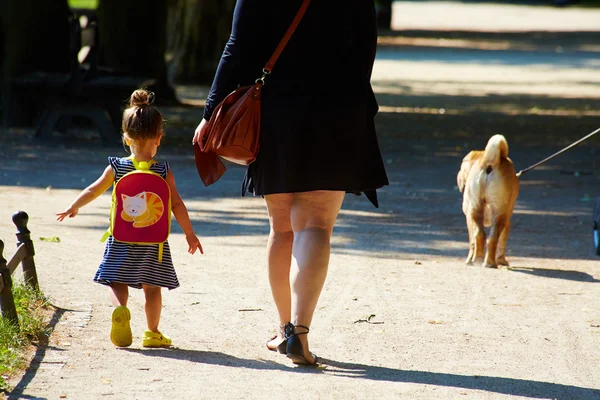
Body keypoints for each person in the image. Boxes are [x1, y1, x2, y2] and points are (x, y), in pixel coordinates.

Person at [193, 0, 388, 365]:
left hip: (276, 108)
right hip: (339, 108)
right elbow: (365, 48)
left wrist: (210, 111)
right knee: (315, 224)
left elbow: (236, 46)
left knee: (282, 228)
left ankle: (283, 328)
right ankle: (299, 332)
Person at [58, 89, 203, 348]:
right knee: (153, 287)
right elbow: (177, 204)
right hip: (154, 245)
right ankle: (152, 332)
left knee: (116, 279)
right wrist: (190, 234)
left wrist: (73, 206)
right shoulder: (163, 170)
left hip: (121, 239)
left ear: (126, 138)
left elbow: (94, 189)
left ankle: (120, 311)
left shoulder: (116, 166)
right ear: (159, 138)